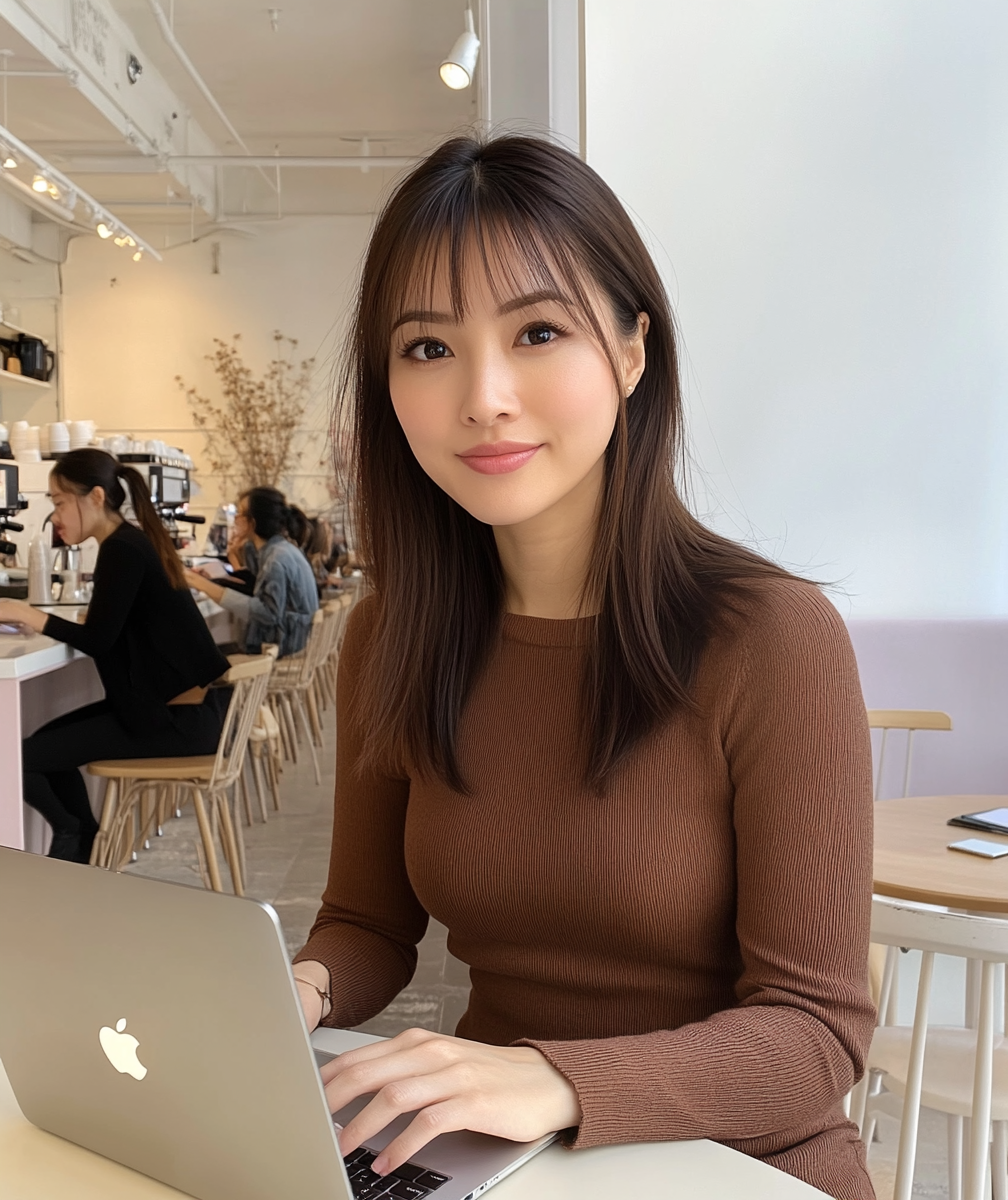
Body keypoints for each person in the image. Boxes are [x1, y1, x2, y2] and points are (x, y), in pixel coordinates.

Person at [290, 135, 876, 1199]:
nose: (485, 396)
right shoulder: (392, 635)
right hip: (496, 1165)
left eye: (540, 331)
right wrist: (305, 988)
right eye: (428, 349)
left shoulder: (774, 640)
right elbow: (372, 923)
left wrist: (554, 1078)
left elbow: (817, 1037)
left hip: (741, 1170)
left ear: (632, 350)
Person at [0, 449, 231, 863]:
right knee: (37, 750)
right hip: (181, 713)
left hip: (177, 722)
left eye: (58, 502)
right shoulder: (129, 542)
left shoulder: (121, 549)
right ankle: (79, 837)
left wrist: (27, 614)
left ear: (96, 497)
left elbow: (98, 640)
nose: (55, 517)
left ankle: (77, 834)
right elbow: (112, 627)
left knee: (22, 758)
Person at [185, 487, 318, 657]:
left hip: (281, 649)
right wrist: (215, 581)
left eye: (240, 513)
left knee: (197, 656)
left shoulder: (276, 560)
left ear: (252, 523)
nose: (235, 518)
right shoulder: (281, 550)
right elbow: (261, 592)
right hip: (295, 643)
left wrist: (200, 584)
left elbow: (267, 614)